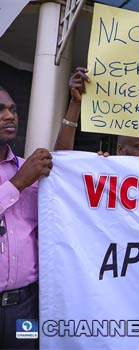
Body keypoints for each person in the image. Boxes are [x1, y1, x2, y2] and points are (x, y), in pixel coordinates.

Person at [0, 86, 53, 349]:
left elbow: (63, 187)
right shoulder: (25, 175)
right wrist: (19, 183)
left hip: (26, 307)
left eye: (13, 109)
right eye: (0, 110)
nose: (10, 116)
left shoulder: (28, 167)